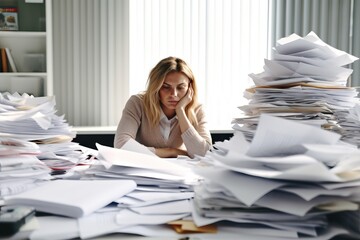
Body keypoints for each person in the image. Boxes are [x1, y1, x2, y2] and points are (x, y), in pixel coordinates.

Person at [114, 56, 212, 158]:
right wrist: (172, 151)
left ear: (189, 88)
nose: (173, 94)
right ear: (156, 86)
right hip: (142, 169)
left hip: (178, 171)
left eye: (180, 87)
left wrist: (180, 111)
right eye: (165, 86)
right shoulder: (137, 103)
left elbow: (205, 154)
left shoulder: (197, 110)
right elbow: (121, 146)